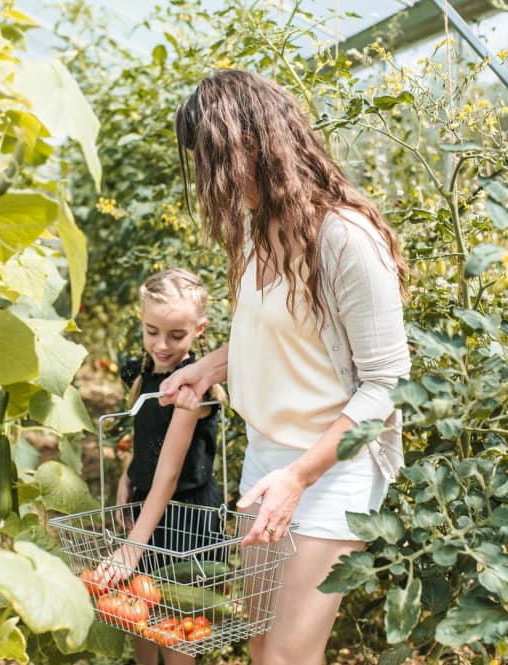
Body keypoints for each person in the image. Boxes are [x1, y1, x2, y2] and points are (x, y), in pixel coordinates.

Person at [160, 69, 411, 665]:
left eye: (217, 160)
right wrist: (210, 368)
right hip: (268, 457)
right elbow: (273, 339)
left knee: (288, 658)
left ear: (257, 143)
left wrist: (300, 477)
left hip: (331, 468)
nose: (212, 180)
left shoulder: (343, 236)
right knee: (262, 647)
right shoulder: (257, 227)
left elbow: (388, 384)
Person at [96, 267, 224, 665]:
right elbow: (147, 436)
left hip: (185, 518)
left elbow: (169, 474)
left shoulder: (192, 390)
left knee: (176, 628)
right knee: (138, 617)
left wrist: (132, 548)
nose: (162, 345)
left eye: (176, 335)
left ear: (199, 330)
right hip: (145, 507)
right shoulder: (145, 371)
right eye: (152, 332)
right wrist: (127, 476)